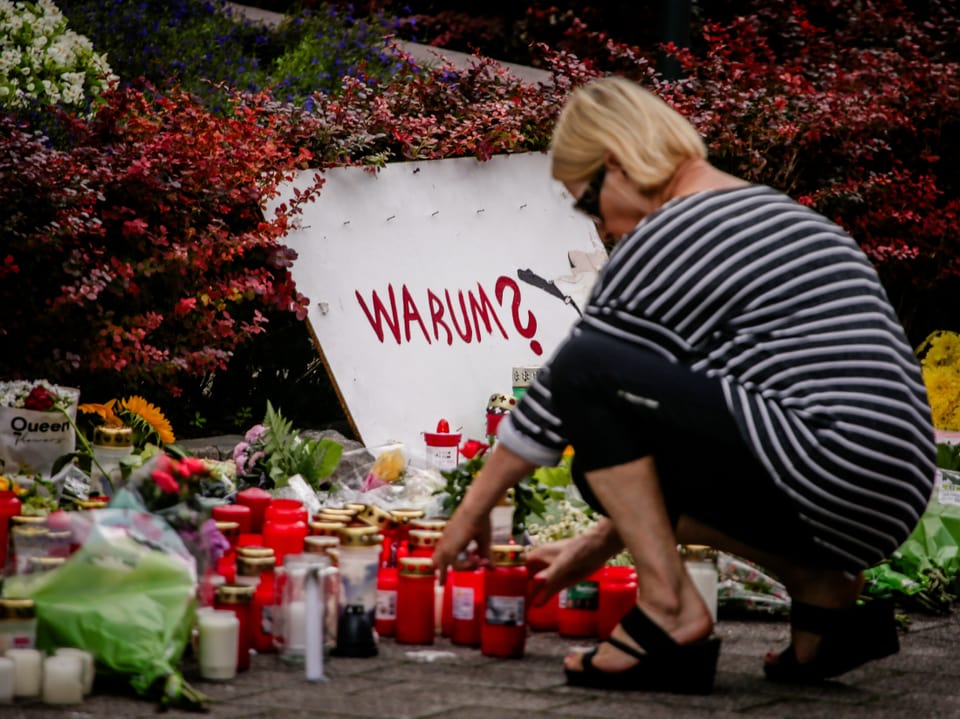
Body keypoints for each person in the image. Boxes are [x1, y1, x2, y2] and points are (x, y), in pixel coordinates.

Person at [432, 75, 936, 694]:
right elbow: (680, 431)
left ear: (617, 164)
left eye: (588, 202)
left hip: (829, 464)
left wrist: (468, 516)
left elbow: (572, 380)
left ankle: (669, 609)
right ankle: (821, 594)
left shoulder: (679, 225)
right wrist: (594, 547)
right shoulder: (773, 212)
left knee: (590, 366)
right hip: (889, 487)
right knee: (613, 421)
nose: (600, 229)